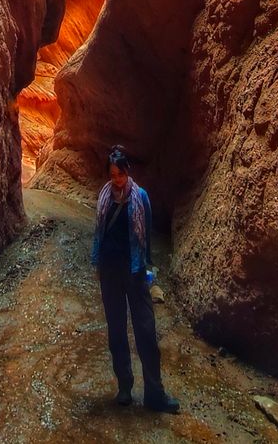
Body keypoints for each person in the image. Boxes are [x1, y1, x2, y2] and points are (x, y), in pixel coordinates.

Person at [92, 145, 180, 413]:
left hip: (134, 271)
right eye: (112, 174)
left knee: (145, 331)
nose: (116, 179)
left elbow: (146, 237)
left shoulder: (140, 197)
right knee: (116, 331)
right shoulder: (105, 196)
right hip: (110, 271)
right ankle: (125, 388)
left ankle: (154, 393)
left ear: (128, 171)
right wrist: (98, 264)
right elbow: (100, 233)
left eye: (120, 174)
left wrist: (145, 268)